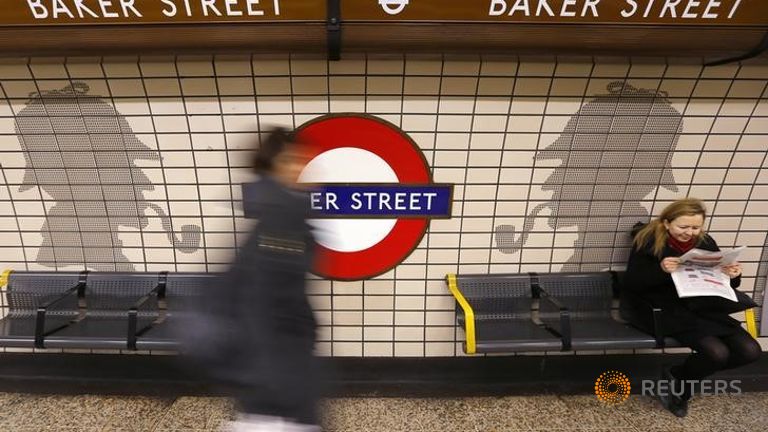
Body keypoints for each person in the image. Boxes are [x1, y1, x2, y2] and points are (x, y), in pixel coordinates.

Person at [185, 127, 320, 432]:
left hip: (273, 369)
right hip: (276, 375)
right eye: (293, 160)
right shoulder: (281, 223)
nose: (304, 167)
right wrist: (275, 383)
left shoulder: (282, 215)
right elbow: (261, 306)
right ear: (276, 168)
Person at [622, 198, 761, 417]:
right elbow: (632, 283)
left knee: (750, 351)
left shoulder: (705, 242)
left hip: (703, 306)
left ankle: (677, 374)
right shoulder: (648, 241)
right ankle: (682, 392)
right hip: (665, 309)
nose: (690, 232)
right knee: (716, 353)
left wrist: (733, 275)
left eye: (696, 227)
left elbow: (722, 280)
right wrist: (661, 270)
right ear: (667, 223)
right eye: (683, 227)